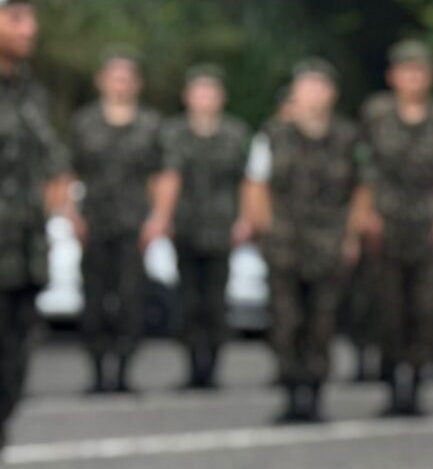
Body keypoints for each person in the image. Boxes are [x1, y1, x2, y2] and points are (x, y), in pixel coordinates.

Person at [237, 58, 367, 423]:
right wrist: (263, 227)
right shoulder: (273, 133)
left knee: (321, 323)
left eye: (320, 86)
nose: (313, 94)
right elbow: (255, 183)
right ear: (294, 93)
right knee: (285, 320)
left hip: (329, 242)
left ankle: (315, 394)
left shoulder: (347, 137)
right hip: (285, 242)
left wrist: (352, 234)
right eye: (306, 86)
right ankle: (291, 392)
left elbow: (362, 189)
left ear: (332, 94)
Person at [359, 40, 433, 417]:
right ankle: (392, 383)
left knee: (428, 309)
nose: (412, 78)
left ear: (430, 77)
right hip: (387, 224)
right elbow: (364, 169)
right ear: (393, 76)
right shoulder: (375, 115)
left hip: (431, 225)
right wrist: (366, 213)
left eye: (419, 71)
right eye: (406, 70)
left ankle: (418, 383)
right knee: (388, 309)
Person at [0, 0, 74, 469]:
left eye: (31, 18)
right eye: (17, 17)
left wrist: (57, 212)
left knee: (9, 379)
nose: (30, 27)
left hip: (21, 262)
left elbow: (53, 165)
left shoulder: (28, 92)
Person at [69, 49, 175, 394]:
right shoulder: (83, 123)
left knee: (131, 299)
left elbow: (164, 174)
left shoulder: (151, 125)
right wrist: (70, 214)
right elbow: (64, 172)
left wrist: (159, 216)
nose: (120, 83)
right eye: (114, 76)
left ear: (137, 84)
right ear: (101, 81)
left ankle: (124, 372)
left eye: (126, 77)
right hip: (93, 223)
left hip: (134, 225)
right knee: (94, 298)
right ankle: (98, 372)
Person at [161, 64, 251, 390]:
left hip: (221, 227)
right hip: (184, 226)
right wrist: (163, 217)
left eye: (211, 92)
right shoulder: (172, 133)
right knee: (187, 300)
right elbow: (163, 179)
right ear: (187, 97)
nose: (205, 98)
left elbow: (247, 181)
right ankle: (191, 366)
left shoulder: (236, 133)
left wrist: (245, 218)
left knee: (215, 300)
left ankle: (212, 366)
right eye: (199, 91)